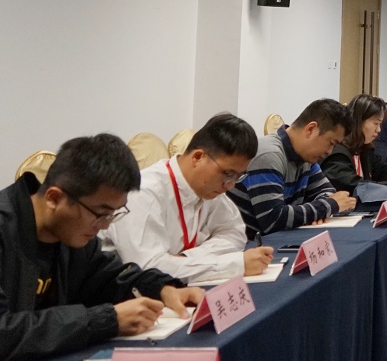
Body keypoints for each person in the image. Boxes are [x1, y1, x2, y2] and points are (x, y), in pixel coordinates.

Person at [1, 134, 204, 361]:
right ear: (54, 198)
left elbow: (110, 278)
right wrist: (105, 320)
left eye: (113, 214)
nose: (105, 226)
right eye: (101, 213)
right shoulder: (7, 228)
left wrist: (162, 289)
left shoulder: (72, 236)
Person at [100, 113, 274, 285]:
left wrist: (187, 258)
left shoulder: (210, 188)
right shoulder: (144, 192)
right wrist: (233, 265)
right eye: (228, 174)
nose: (230, 185)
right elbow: (149, 270)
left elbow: (235, 233)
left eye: (238, 176)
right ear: (198, 157)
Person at [229, 99, 358, 236]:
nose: (330, 151)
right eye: (331, 143)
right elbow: (273, 219)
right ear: (311, 129)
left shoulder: (306, 158)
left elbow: (328, 192)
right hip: (248, 245)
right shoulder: (269, 155)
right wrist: (327, 207)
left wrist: (324, 208)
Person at [322, 95, 387, 193]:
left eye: (380, 124)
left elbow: (383, 169)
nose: (379, 130)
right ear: (359, 121)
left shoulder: (364, 148)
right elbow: (355, 185)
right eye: (376, 123)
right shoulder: (337, 154)